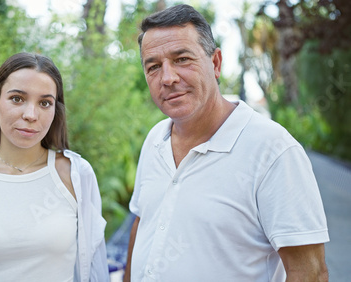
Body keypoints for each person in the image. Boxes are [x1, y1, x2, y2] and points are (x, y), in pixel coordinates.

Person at [124, 4, 329, 282]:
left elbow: (310, 273)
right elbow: (141, 224)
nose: (168, 78)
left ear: (216, 63)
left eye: (182, 59)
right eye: (154, 67)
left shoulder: (272, 150)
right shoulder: (155, 139)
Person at [0, 52, 109, 282]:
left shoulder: (76, 174)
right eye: (17, 98)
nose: (30, 115)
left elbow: (96, 266)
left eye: (45, 103)